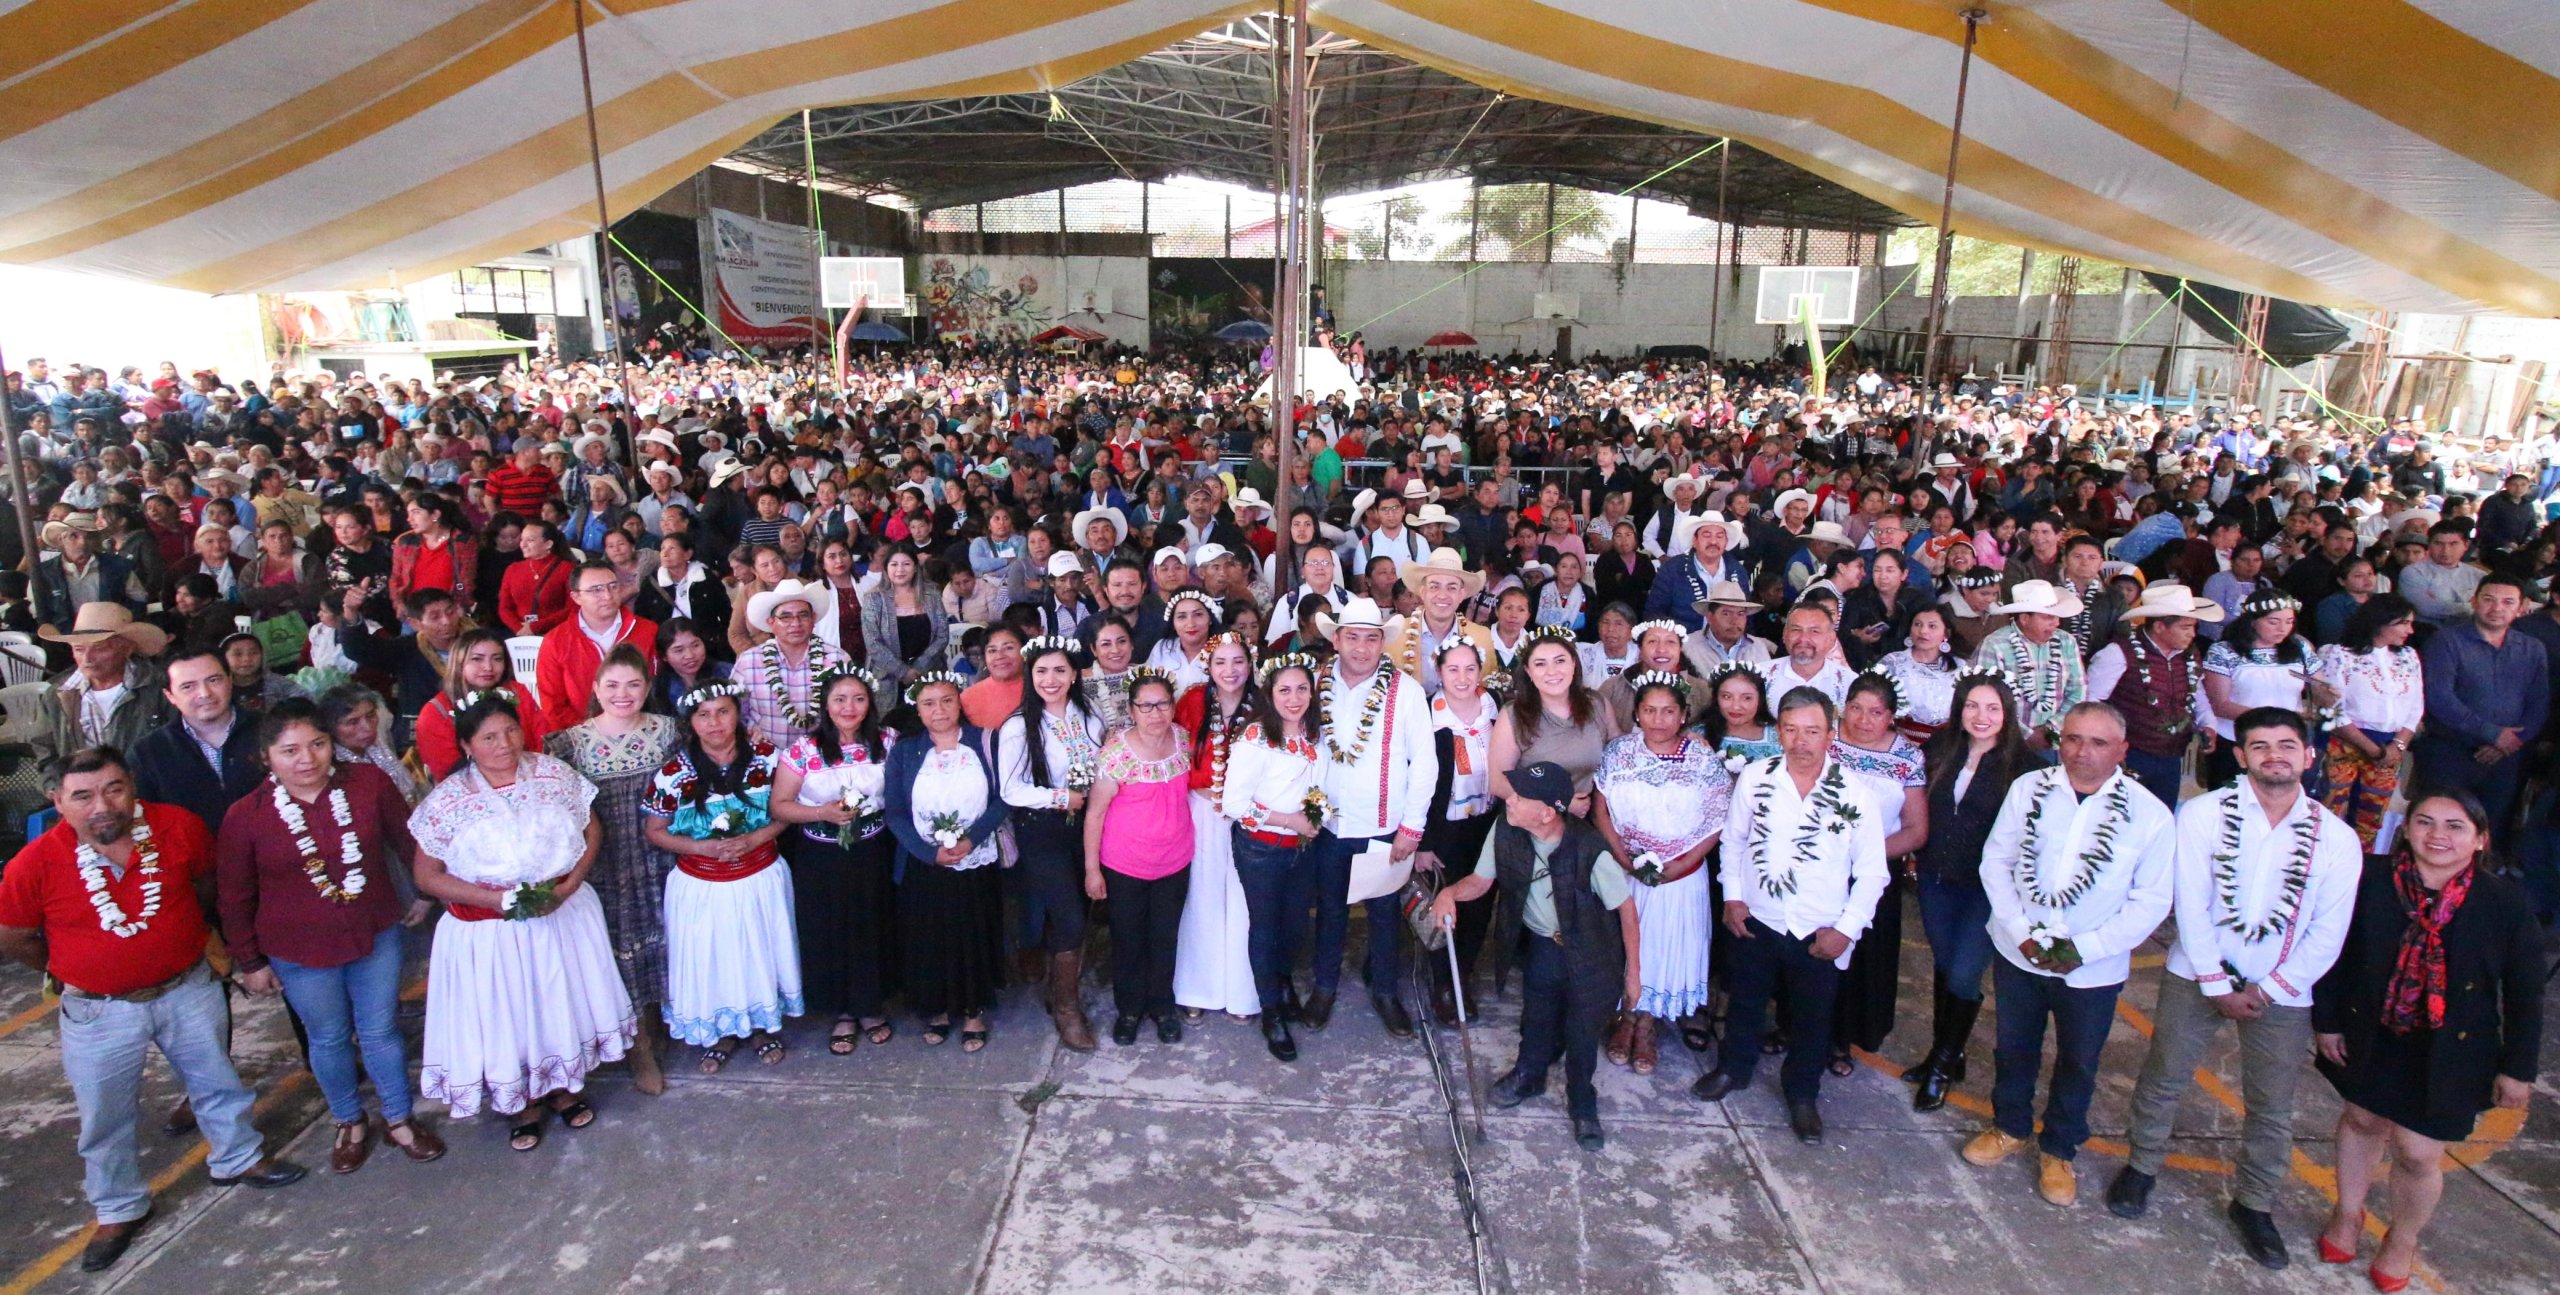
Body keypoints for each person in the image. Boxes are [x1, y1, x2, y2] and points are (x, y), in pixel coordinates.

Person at [0, 747, 306, 1274]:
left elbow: (207, 886)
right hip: (99, 1011)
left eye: (114, 788)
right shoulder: (33, 864)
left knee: (216, 1080)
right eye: (83, 795)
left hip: (187, 986)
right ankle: (119, 1208)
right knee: (104, 1114)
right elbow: (16, 937)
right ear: (58, 801)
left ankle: (238, 1159)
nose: (102, 804)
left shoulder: (178, 827)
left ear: (132, 786)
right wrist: (75, 969)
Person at [2109, 708, 2362, 1266]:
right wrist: (2216, 981)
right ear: (2240, 755)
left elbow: (2328, 932)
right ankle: (2142, 1165)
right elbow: (2190, 903)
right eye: (2260, 745)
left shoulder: (2337, 839)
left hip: (2284, 993)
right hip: (2196, 973)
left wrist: (2271, 988)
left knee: (2272, 1104)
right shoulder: (2201, 815)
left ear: (2309, 756)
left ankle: (2254, 1202)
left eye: (2287, 745)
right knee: (2165, 1074)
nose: (2275, 755)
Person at [2311, 789, 2544, 1292]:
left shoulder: (2504, 903)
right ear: (2407, 829)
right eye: (2425, 821)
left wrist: (2519, 1068)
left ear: (2480, 839)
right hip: (2373, 1031)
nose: (2438, 835)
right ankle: (2348, 1213)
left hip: (2453, 1049)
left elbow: (2526, 993)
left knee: (2417, 1151)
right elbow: (2334, 953)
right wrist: (2327, 1021)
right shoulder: (2370, 881)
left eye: (2455, 826)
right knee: (2361, 1118)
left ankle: (2402, 1237)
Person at [216, 699, 445, 1174]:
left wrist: (426, 892)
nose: (307, 759)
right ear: (267, 758)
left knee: (380, 1029)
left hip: (373, 930)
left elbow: (408, 840)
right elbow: (235, 896)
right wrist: (251, 962)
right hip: (298, 949)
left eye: (318, 744)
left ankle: (399, 1119)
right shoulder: (246, 816)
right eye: (290, 750)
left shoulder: (367, 784)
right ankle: (348, 1120)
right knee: (329, 1037)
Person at [1962, 702, 2174, 1206]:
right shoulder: (2028, 790)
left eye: (2099, 742)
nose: (2083, 752)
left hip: (2092, 969)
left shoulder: (2150, 815)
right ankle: (2010, 1125)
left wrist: (2085, 950)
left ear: (2123, 750)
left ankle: (2059, 1148)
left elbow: (2150, 902)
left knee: (2079, 1059)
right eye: (2074, 739)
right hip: (2020, 953)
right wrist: (2021, 933)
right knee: (2014, 1045)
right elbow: (1998, 861)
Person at [404, 691, 634, 1151]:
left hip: (559, 915)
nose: (504, 744)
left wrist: (569, 885)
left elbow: (592, 830)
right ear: (467, 746)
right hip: (490, 930)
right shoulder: (449, 799)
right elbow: (426, 875)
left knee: (555, 1001)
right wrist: (496, 899)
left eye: (510, 730)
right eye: (488, 737)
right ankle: (521, 1100)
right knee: (508, 1011)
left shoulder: (553, 773)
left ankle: (563, 1087)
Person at [1693, 688, 1889, 1146]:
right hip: (1759, 917)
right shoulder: (1757, 778)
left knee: (1812, 1016)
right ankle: (1733, 1069)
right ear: (1778, 731)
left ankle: (1802, 1093)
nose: (1801, 741)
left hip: (1819, 927)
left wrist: (1846, 930)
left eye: (1813, 731)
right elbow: (1734, 842)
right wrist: (1734, 897)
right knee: (1744, 1000)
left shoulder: (1855, 794)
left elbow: (1872, 873)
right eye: (1791, 730)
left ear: (1830, 734)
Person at [1430, 757, 1638, 1152]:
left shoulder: (1590, 849)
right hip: (1544, 941)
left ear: (1545, 813)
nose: (1510, 799)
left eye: (1521, 796)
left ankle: (1582, 1100)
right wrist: (1448, 893)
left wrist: (1633, 975)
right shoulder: (1506, 828)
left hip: (1590, 951)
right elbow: (1479, 881)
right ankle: (1529, 1074)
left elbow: (1626, 910)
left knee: (1581, 1030)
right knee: (1537, 1014)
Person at [542, 647, 681, 1094]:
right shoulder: (569, 743)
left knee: (669, 943)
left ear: (648, 688)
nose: (623, 694)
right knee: (620, 953)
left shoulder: (670, 732)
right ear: (596, 689)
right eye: (612, 685)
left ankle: (667, 1026)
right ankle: (639, 1048)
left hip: (663, 856)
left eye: (634, 684)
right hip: (607, 866)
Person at [642, 679, 798, 1071]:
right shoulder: (675, 771)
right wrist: (702, 847)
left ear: (738, 713)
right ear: (690, 722)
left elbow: (787, 810)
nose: (715, 723)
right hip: (702, 883)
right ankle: (723, 1030)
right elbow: (654, 831)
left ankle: (762, 1025)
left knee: (757, 952)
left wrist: (756, 838)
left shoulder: (767, 757)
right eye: (704, 715)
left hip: (757, 875)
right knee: (714, 957)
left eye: (723, 712)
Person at [1904, 671, 2041, 1112]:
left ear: (2007, 713)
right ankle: (1947, 1052)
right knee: (1944, 967)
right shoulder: (1940, 749)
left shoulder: (2026, 766)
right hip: (1936, 879)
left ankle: (1942, 1066)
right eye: (1972, 707)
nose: (1981, 717)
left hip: (1987, 890)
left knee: (1964, 973)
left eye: (1992, 708)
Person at [1306, 597, 1437, 1038]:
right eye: (1352, 637)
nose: (1361, 648)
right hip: (1329, 823)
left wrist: (1411, 828)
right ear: (1337, 640)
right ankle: (1323, 987)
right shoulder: (1316, 682)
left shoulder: (1407, 691)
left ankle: (1385, 991)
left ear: (1383, 643)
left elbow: (1425, 764)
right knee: (1329, 910)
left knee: (1384, 914)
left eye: (1371, 638)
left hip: (1384, 825)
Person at [1591, 672, 1728, 1078]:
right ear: (1636, 713)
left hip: (1679, 877)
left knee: (1663, 946)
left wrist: (1677, 867)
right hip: (1626, 870)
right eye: (1649, 710)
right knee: (1624, 946)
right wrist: (1624, 859)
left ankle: (1647, 1025)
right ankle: (1625, 1019)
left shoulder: (1702, 758)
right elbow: (1601, 807)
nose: (1659, 719)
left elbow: (1717, 821)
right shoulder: (1618, 753)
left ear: (1685, 714)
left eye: (1669, 711)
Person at [768, 666, 896, 1057]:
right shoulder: (803, 750)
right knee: (831, 927)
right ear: (825, 704)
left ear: (870, 702)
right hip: (821, 857)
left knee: (872, 922)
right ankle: (843, 1010)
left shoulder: (888, 741)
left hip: (873, 850)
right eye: (840, 699)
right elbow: (780, 806)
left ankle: (871, 1006)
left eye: (858, 698)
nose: (849, 707)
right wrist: (822, 811)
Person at [884, 673, 1009, 1051]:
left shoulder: (986, 742)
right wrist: (928, 852)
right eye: (928, 703)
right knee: (930, 936)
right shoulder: (905, 752)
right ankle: (936, 1008)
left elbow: (1003, 799)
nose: (938, 710)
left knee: (972, 931)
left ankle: (973, 1010)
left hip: (976, 859)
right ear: (917, 710)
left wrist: (972, 840)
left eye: (946, 700)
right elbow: (894, 812)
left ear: (960, 703)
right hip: (926, 865)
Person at [995, 637, 1107, 1052]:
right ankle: (1066, 1008)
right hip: (1043, 828)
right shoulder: (1019, 725)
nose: (1050, 679)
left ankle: (1058, 989)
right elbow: (1010, 788)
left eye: (1060, 670)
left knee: (1083, 910)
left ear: (1075, 674)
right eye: (1041, 671)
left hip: (1086, 827)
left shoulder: (1089, 715)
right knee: (1070, 917)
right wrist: (1061, 797)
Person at [1222, 651, 1327, 1060]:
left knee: (1295, 924)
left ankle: (1283, 987)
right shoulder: (1255, 738)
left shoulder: (1315, 733)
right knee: (1264, 928)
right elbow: (1234, 803)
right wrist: (1289, 820)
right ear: (1270, 693)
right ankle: (1270, 1011)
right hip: (1261, 848)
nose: (1294, 697)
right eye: (1284, 690)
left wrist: (1317, 818)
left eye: (1302, 688)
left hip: (1302, 849)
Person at [1824, 671, 1930, 1075]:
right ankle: (1796, 1026)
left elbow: (1916, 829)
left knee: (1860, 958)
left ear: (1891, 717)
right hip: (1817, 864)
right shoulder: (1826, 741)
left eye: (1875, 712)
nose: (1863, 720)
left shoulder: (1906, 758)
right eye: (1855, 708)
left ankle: (1842, 1039)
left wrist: (1863, 859)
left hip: (1874, 873)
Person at [1083, 670, 1194, 1045]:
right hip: (1125, 865)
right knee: (1129, 940)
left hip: (1175, 862)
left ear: (1172, 706)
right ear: (1132, 710)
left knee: (1165, 938)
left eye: (1162, 703)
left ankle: (1162, 1007)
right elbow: (1095, 813)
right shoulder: (1116, 753)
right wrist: (1092, 869)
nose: (1155, 713)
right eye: (1145, 705)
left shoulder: (1183, 740)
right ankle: (1129, 1010)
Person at [2412, 574, 2546, 840]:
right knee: (2439, 828)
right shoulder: (2446, 641)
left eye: (2508, 602)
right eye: (2488, 599)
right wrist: (2493, 734)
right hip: (2449, 752)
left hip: (2505, 756)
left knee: (2488, 832)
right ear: (2474, 601)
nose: (2497, 608)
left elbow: (2539, 703)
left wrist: (2511, 740)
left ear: (2522, 607)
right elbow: (2439, 697)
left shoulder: (2532, 648)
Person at [1173, 632, 1259, 1019]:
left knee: (1245, 902)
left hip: (1251, 814)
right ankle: (1198, 989)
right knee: (1202, 897)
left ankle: (1244, 995)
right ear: (1208, 665)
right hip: (1202, 811)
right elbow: (1176, 756)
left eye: (1238, 661)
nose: (1230, 670)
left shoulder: (1263, 703)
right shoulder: (1192, 701)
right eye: (1221, 662)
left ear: (1250, 662)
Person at [1418, 640, 1500, 1027]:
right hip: (1445, 828)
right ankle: (1442, 984)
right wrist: (1423, 843)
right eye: (1454, 669)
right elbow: (1419, 783)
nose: (1462, 678)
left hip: (1486, 824)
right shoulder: (1426, 715)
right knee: (1443, 904)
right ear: (1439, 670)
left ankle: (1463, 974)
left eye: (1470, 669)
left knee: (1479, 905)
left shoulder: (1494, 709)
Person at [2086, 582, 2220, 807]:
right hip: (2129, 753)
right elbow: (2091, 703)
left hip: (2171, 754)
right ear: (2159, 627)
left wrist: (2208, 724)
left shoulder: (2188, 656)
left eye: (2193, 626)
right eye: (2185, 627)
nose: (2193, 634)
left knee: (2162, 817)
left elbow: (2197, 694)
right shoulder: (2118, 653)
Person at [2317, 595, 2424, 853]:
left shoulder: (2408, 656)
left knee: (2371, 819)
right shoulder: (2340, 654)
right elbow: (2333, 710)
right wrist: (2371, 748)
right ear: (2380, 623)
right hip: (2344, 742)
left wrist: (2398, 745)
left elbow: (2415, 706)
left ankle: (2362, 874)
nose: (2410, 630)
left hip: (2391, 745)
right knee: (2330, 813)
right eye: (2404, 623)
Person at [126, 646, 265, 836]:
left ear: (230, 681)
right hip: (194, 859)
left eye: (214, 680)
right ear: (170, 696)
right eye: (188, 686)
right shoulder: (148, 752)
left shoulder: (270, 731)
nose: (205, 693)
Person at [1491, 628, 1620, 810]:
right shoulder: (1513, 714)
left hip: (1590, 819)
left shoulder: (1597, 704)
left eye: (1560, 661)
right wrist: (1560, 804)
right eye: (1540, 664)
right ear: (1528, 671)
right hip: (1534, 821)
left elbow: (1619, 754)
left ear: (1573, 664)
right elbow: (1497, 782)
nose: (1552, 671)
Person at [35, 603, 172, 768]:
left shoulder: (157, 688)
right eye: (79, 649)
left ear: (127, 649)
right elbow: (46, 754)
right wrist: (56, 786)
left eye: (99, 648)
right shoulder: (57, 694)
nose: (87, 659)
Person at [735, 578, 855, 748]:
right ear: (771, 622)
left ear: (813, 619)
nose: (796, 624)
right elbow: (736, 714)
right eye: (785, 617)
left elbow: (852, 712)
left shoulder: (837, 660)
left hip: (824, 757)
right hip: (767, 757)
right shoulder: (749, 662)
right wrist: (750, 731)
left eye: (803, 615)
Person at [413, 627, 548, 777]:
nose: (488, 667)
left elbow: (542, 740)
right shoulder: (436, 712)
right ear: (459, 662)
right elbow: (448, 771)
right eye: (477, 659)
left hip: (530, 775)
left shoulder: (516, 691)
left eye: (497, 659)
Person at [1974, 580, 2087, 751]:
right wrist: (2026, 734)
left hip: (2057, 742)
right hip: (2006, 744)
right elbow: (1986, 700)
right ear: (2025, 618)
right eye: (2048, 617)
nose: (2056, 623)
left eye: (2056, 616)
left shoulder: (2066, 642)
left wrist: (2051, 728)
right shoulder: (1995, 645)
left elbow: (2078, 691)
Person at [1382, 547, 1496, 690]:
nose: (1442, 595)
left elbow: (1487, 694)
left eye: (1451, 588)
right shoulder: (1394, 634)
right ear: (1422, 592)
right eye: (1435, 586)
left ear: (1461, 595)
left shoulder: (1482, 637)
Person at [860, 550, 949, 696]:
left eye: (906, 564)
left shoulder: (932, 595)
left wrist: (919, 667)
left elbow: (942, 636)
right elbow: (872, 643)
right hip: (887, 680)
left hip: (929, 674)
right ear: (886, 568)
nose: (900, 570)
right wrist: (903, 672)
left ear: (915, 567)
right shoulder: (873, 599)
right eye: (894, 564)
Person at [1874, 606, 1959, 741]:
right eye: (1917, 624)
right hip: (1897, 740)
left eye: (1932, 626)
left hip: (1946, 744)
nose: (1923, 631)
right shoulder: (1893, 663)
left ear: (1945, 633)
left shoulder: (1959, 668)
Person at [497, 520, 576, 638]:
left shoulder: (567, 569)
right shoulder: (513, 569)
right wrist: (519, 629)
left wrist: (535, 627)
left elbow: (572, 608)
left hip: (556, 634)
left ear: (548, 544)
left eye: (530, 540)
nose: (523, 544)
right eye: (522, 539)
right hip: (520, 635)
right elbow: (504, 608)